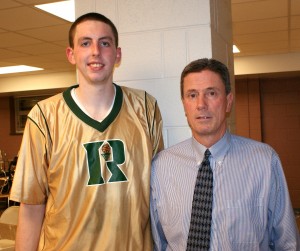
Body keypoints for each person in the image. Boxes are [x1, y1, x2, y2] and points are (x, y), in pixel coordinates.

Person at [10, 12, 164, 251]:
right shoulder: (44, 117)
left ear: (117, 53)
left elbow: (160, 194)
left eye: (105, 43)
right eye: (85, 43)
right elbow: (31, 207)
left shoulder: (145, 108)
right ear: (71, 54)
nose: (96, 51)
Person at [150, 58, 300, 250]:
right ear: (184, 105)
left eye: (211, 93)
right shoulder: (161, 166)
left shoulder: (264, 161)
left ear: (228, 102)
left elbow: (287, 243)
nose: (201, 104)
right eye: (192, 95)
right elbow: (157, 242)